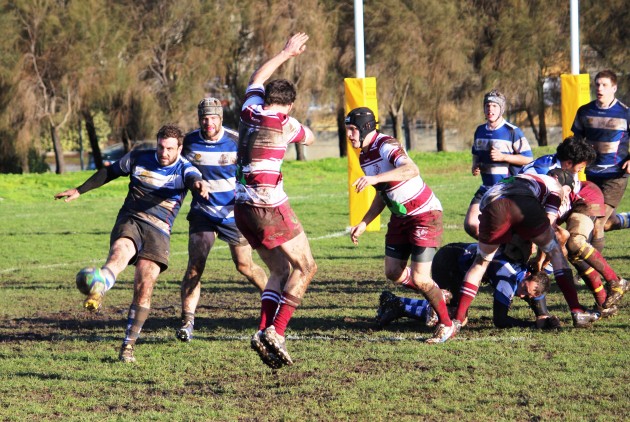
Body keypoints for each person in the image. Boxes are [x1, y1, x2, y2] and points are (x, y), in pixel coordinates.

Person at [54, 125, 208, 363]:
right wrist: (79, 190)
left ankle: (128, 346)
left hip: (159, 230)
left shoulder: (185, 168)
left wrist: (199, 185)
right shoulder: (139, 157)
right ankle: (100, 286)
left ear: (179, 148)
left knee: (144, 284)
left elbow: (193, 178)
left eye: (169, 148)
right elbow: (110, 172)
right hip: (131, 219)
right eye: (160, 146)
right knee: (119, 254)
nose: (163, 152)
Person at [235, 32, 317, 369]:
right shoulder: (285, 121)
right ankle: (278, 332)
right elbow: (309, 138)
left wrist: (285, 52)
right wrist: (302, 129)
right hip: (268, 205)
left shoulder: (249, 109)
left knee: (279, 269)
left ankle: (262, 331)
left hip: (241, 208)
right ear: (291, 103)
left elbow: (257, 76)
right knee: (307, 267)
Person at [345, 106, 456, 344]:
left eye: (353, 130)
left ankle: (447, 324)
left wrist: (374, 178)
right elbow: (382, 193)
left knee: (421, 279)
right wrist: (364, 222)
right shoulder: (364, 155)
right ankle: (437, 294)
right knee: (393, 272)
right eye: (348, 130)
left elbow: (411, 169)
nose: (350, 135)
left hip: (425, 214)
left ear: (366, 128)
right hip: (400, 218)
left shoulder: (386, 145)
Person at [452, 173, 601, 331]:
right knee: (556, 253)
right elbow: (549, 225)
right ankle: (576, 310)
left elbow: (483, 214)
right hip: (524, 204)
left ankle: (457, 320)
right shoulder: (556, 187)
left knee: (480, 265)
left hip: (491, 205)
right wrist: (540, 256)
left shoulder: (523, 175)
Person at [175, 98, 268, 342]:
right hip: (203, 213)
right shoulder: (188, 142)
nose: (209, 122)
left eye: (213, 118)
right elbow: (176, 169)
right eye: (204, 118)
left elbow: (254, 170)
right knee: (195, 264)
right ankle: (187, 321)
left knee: (244, 266)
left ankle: (272, 298)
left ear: (221, 118)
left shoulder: (237, 141)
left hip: (232, 214)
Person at [521, 138, 627, 313]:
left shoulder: (560, 174)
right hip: (565, 204)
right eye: (580, 167)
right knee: (573, 255)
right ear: (569, 162)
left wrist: (542, 259)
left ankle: (615, 281)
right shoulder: (546, 175)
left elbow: (555, 231)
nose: (580, 170)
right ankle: (604, 304)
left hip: (587, 197)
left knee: (574, 244)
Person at [376, 242, 561, 330]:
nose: (521, 295)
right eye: (523, 290)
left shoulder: (529, 273)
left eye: (526, 295)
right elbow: (500, 320)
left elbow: (536, 288)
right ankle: (399, 305)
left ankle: (396, 302)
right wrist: (530, 324)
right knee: (456, 318)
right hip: (449, 262)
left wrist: (542, 316)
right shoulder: (507, 279)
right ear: (527, 276)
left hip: (457, 253)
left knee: (454, 312)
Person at [571, 70, 630, 305]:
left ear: (614, 88)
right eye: (597, 84)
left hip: (616, 176)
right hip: (592, 176)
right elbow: (576, 141)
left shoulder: (625, 113)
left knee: (597, 224)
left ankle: (590, 270)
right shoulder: (584, 112)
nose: (599, 88)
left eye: (604, 84)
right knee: (602, 222)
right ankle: (625, 220)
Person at [464, 90, 533, 239]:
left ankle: (499, 253)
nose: (490, 109)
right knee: (471, 224)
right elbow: (476, 154)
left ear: (501, 108)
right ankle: (496, 251)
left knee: (502, 228)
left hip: (507, 188)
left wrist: (503, 157)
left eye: (495, 105)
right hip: (487, 188)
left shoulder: (512, 131)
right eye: (488, 105)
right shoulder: (480, 131)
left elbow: (528, 159)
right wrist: (475, 166)